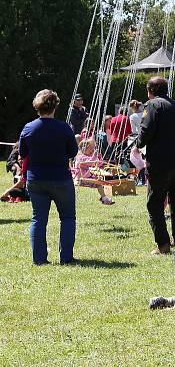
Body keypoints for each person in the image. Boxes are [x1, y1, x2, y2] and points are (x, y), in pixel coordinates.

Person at [20, 89, 79, 265]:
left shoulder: (28, 128)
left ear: (37, 106)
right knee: (67, 217)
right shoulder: (63, 127)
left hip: (36, 179)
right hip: (61, 178)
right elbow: (73, 151)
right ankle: (66, 258)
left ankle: (39, 259)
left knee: (38, 218)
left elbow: (23, 153)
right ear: (55, 106)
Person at [137, 76, 175, 255]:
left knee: (154, 204)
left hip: (160, 163)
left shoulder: (152, 105)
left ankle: (163, 245)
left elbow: (146, 131)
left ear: (150, 90)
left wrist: (138, 143)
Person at [73, 138, 115, 205]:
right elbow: (90, 162)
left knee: (99, 183)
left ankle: (104, 198)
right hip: (81, 178)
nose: (92, 150)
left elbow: (97, 163)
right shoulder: (80, 157)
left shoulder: (86, 156)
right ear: (84, 149)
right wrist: (95, 155)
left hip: (87, 177)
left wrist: (99, 158)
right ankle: (104, 198)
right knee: (98, 182)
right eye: (90, 149)